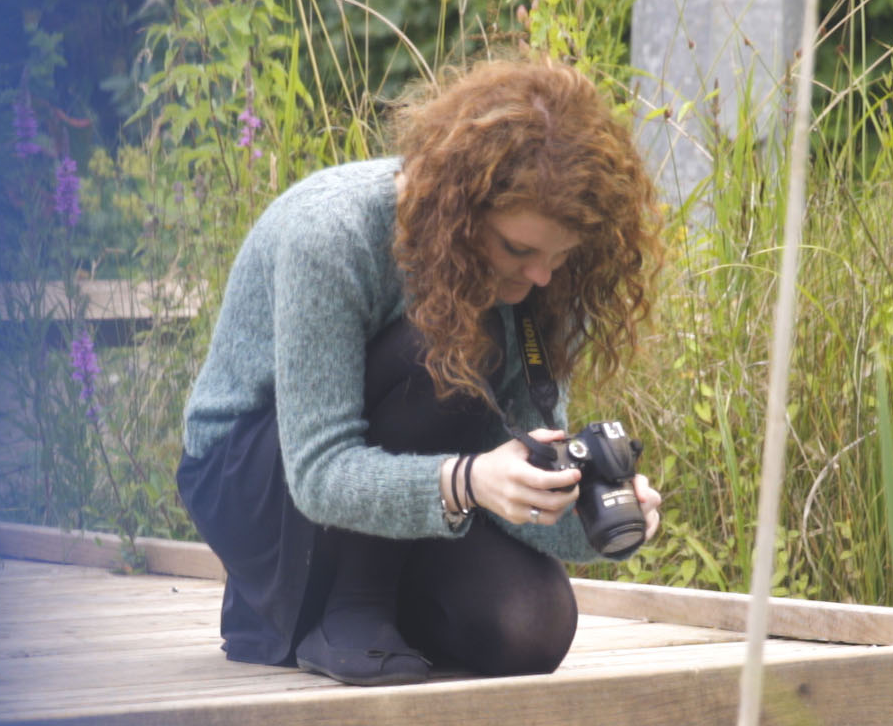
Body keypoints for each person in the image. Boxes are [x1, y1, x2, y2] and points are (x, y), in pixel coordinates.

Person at [175, 57, 664, 687]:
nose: (541, 275)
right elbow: (319, 473)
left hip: (409, 487)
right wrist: (467, 481)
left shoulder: (542, 278)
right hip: (256, 483)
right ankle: (348, 610)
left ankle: (337, 606)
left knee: (531, 626)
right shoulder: (332, 234)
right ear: (462, 210)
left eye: (560, 255)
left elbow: (502, 481)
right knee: (443, 347)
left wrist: (590, 516)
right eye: (519, 249)